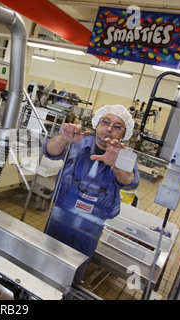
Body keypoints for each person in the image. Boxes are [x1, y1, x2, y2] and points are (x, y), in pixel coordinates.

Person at [43, 104, 140, 280]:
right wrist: (64, 138)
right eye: (105, 122)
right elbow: (50, 151)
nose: (109, 128)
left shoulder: (123, 155)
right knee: (46, 258)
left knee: (76, 267)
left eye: (117, 126)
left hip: (91, 225)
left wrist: (116, 163)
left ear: (124, 134)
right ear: (97, 123)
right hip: (60, 215)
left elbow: (129, 182)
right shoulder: (78, 141)